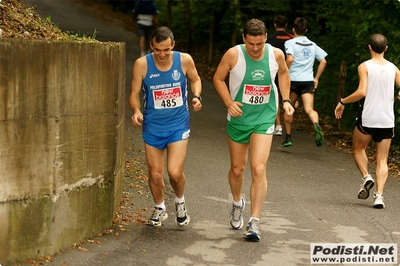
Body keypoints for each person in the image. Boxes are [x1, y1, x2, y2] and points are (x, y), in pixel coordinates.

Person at [213, 19, 294, 241]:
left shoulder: (275, 54)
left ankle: (254, 221)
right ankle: (238, 203)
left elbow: (284, 74)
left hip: (264, 117)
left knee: (258, 169)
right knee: (237, 169)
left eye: (259, 44)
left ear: (266, 38)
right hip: (239, 118)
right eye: (251, 44)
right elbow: (218, 79)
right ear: (244, 40)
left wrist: (286, 100)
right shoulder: (233, 55)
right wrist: (229, 102)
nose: (255, 49)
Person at [129, 26, 203, 226]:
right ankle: (159, 207)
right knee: (155, 173)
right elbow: (134, 94)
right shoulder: (142, 65)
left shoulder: (184, 60)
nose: (162, 55)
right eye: (157, 50)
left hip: (178, 125)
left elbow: (195, 79)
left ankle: (180, 201)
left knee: (174, 172)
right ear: (151, 45)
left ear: (173, 46)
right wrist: (136, 111)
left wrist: (196, 96)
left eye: (166, 50)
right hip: (153, 126)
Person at [334, 33, 400, 209]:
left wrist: (342, 101)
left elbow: (361, 92)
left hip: (368, 118)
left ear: (369, 47)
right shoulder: (393, 68)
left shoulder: (364, 66)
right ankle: (379, 196)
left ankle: (366, 176)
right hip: (386, 120)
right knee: (383, 159)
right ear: (386, 48)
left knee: (358, 148)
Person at [281, 17, 327, 147]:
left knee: (289, 107)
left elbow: (289, 59)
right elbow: (323, 61)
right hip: (308, 80)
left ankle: (288, 138)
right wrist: (316, 78)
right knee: (309, 109)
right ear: (306, 30)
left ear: (293, 29)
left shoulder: (290, 43)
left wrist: (283, 71)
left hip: (293, 80)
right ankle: (316, 124)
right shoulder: (312, 44)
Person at [267, 15, 294, 136]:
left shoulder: (271, 38)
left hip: (275, 70)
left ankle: (278, 126)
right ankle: (288, 128)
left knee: (275, 97)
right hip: (292, 72)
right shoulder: (292, 38)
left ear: (275, 24)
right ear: (286, 25)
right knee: (289, 98)